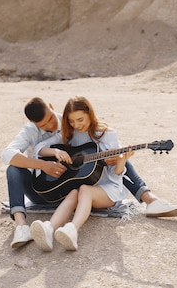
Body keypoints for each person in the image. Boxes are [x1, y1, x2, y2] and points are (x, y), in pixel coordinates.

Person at [1, 97, 177, 249]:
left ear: (52, 107)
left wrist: (120, 157)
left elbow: (116, 170)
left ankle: (150, 200)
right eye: (44, 125)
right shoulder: (60, 131)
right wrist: (47, 161)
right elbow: (20, 151)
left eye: (51, 119)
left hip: (81, 186)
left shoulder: (74, 126)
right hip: (45, 187)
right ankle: (26, 227)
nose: (51, 125)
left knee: (112, 160)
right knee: (15, 168)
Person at [30, 96, 132, 251]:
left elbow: (116, 175)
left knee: (84, 189)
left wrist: (121, 160)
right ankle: (49, 230)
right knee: (73, 192)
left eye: (80, 119)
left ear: (89, 113)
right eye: (71, 121)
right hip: (83, 186)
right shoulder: (71, 133)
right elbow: (39, 148)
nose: (76, 125)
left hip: (108, 189)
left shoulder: (107, 134)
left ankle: (72, 230)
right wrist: (56, 151)